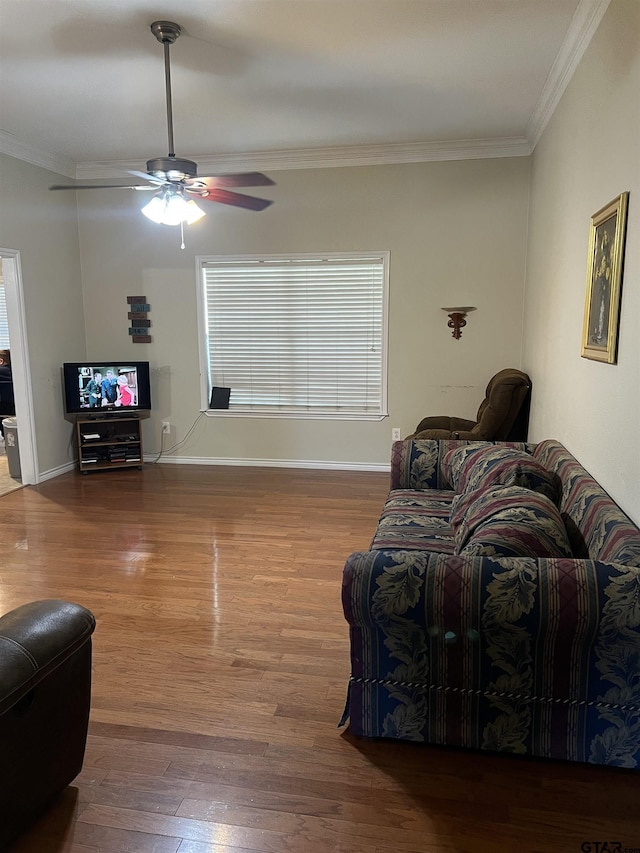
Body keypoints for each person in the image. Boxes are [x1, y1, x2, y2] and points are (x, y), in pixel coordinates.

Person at [0, 349, 15, 438]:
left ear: (1, 361)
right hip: (15, 409)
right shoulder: (16, 371)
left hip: (5, 409)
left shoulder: (1, 371)